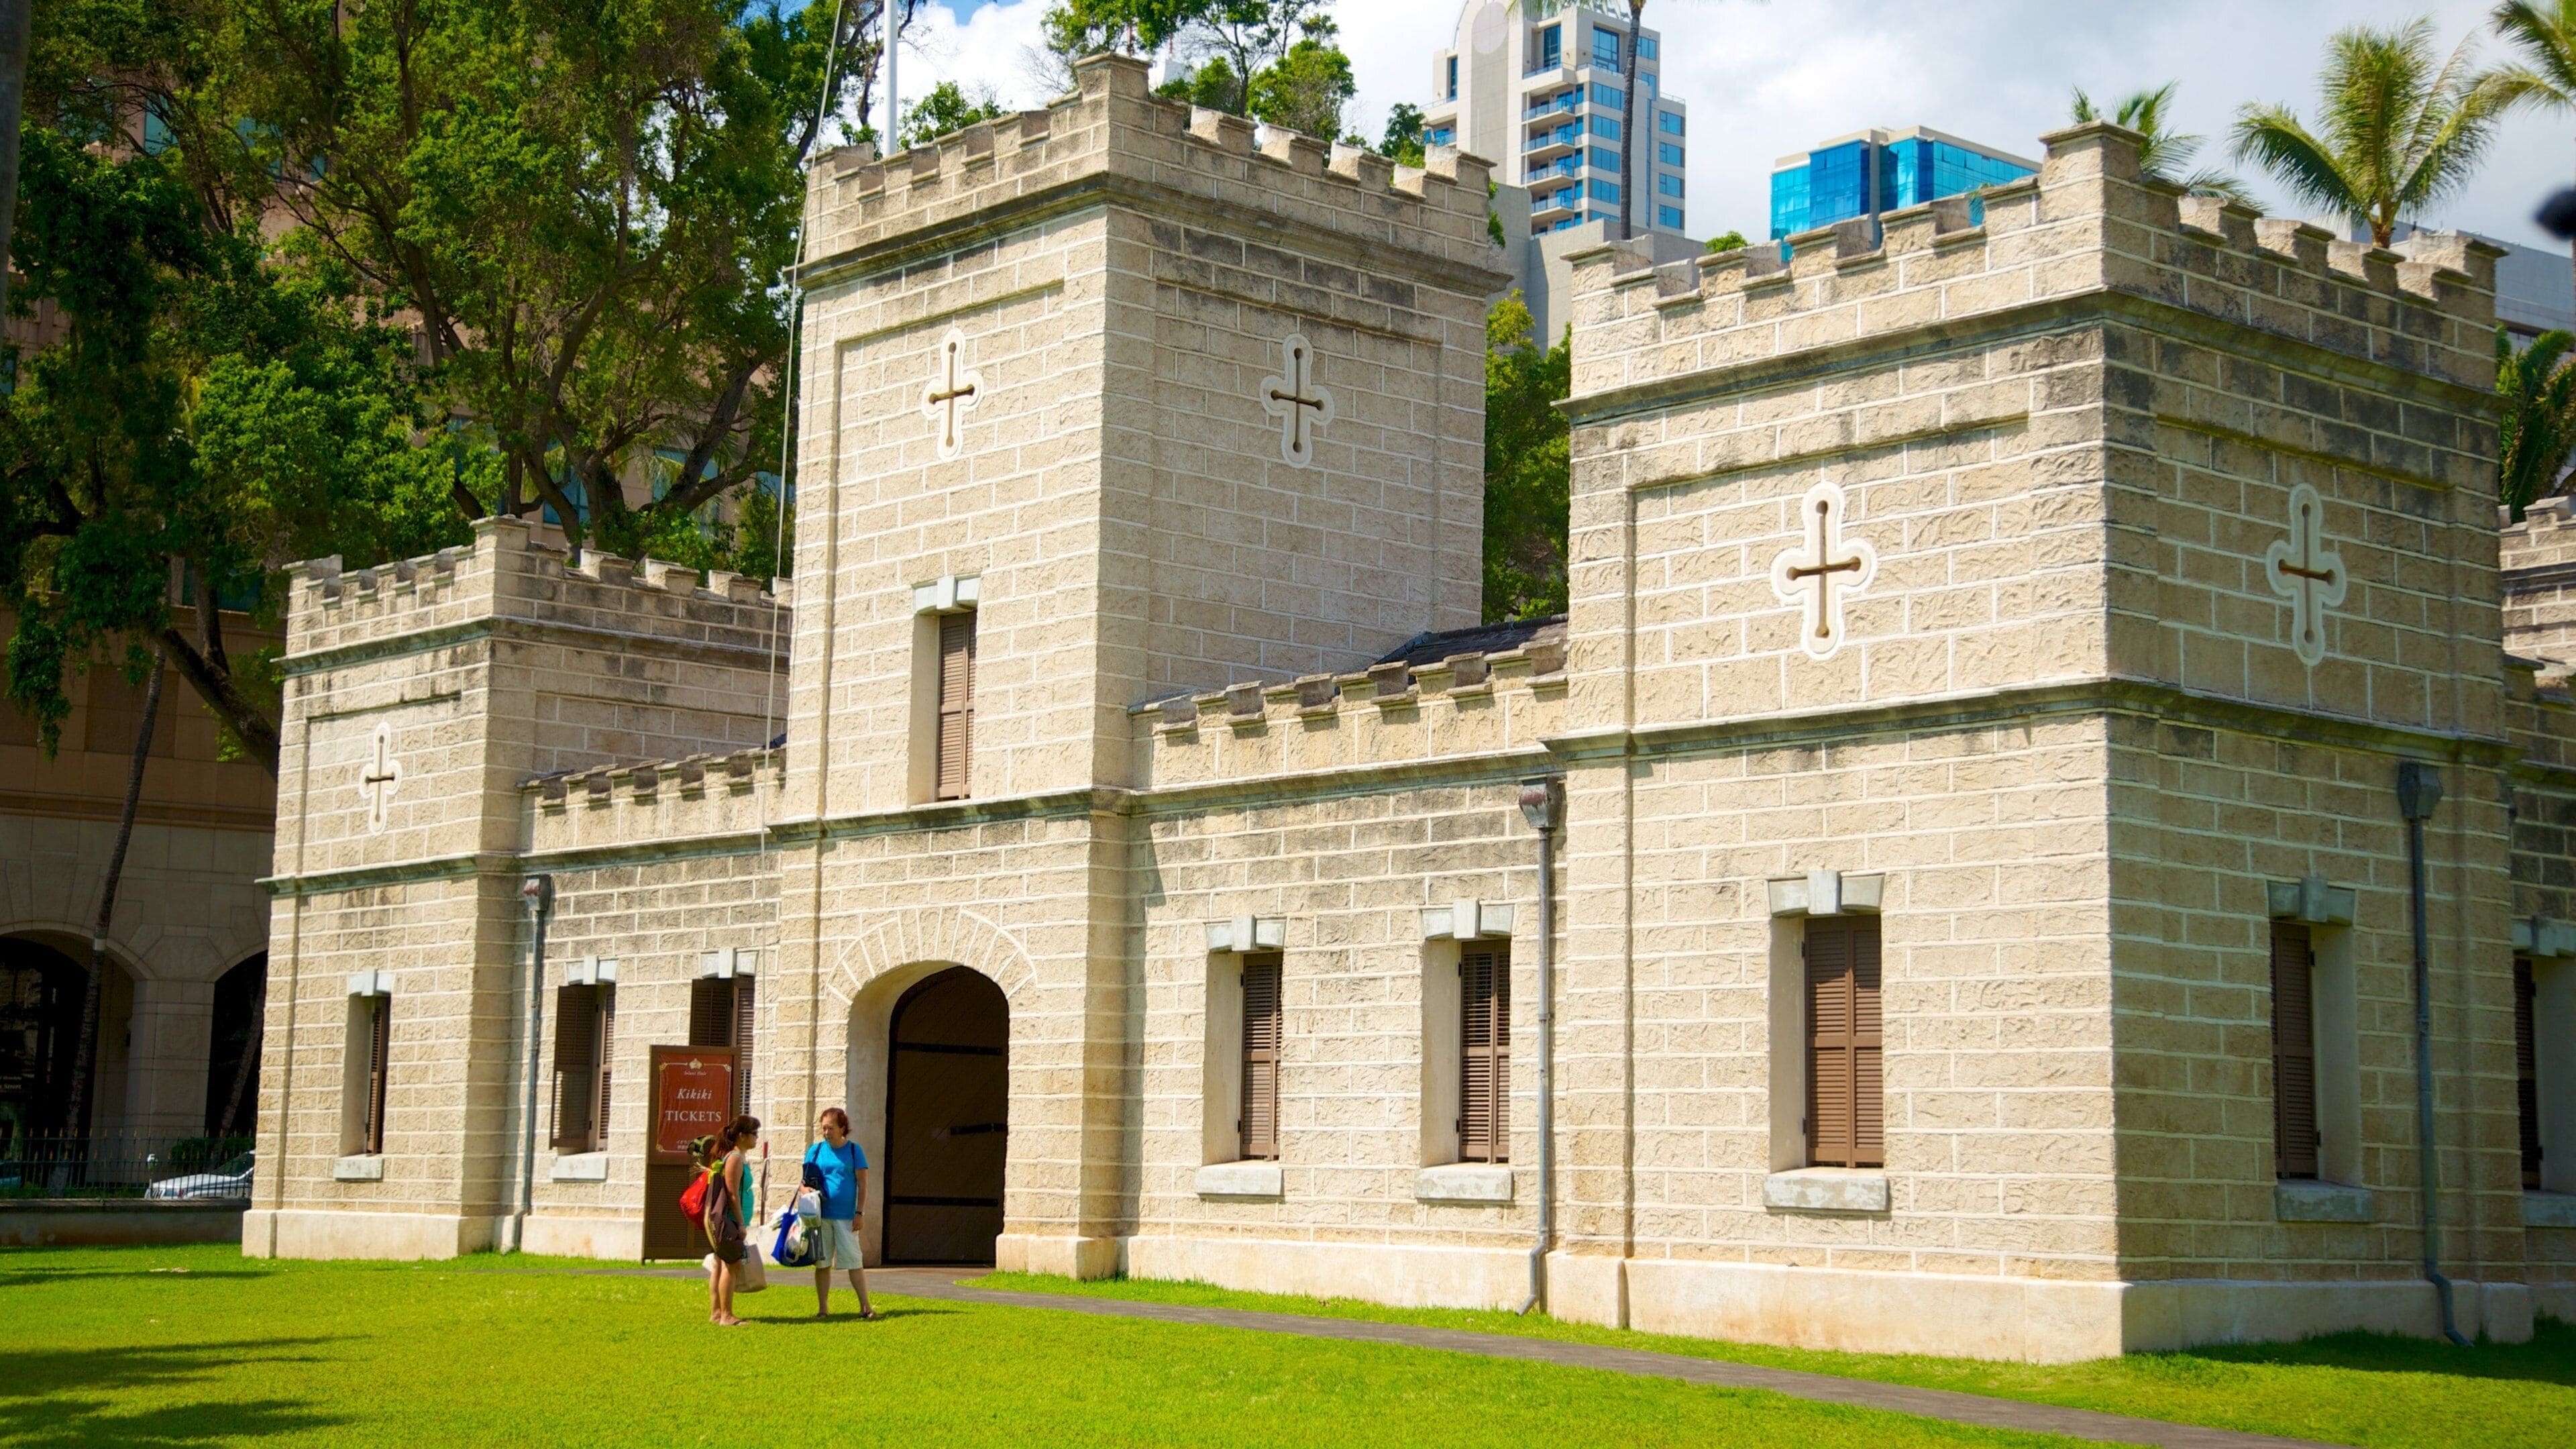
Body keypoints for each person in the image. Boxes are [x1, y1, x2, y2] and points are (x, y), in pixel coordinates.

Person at [803, 1107, 879, 1320]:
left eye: (830, 1128)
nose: (826, 1132)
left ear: (843, 1128)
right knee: (822, 1264)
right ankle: (823, 1309)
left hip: (846, 1218)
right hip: (820, 1218)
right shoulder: (815, 1151)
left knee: (854, 1262)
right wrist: (806, 1192)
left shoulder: (854, 1151)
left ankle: (866, 1308)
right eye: (823, 1128)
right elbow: (804, 1182)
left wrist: (860, 1213)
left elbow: (863, 1185)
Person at [704, 1116, 760, 1326]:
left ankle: (716, 1313)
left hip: (731, 1220)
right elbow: (732, 1193)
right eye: (754, 1134)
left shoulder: (736, 1157)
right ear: (742, 1136)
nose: (756, 1138)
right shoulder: (735, 1158)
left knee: (720, 1264)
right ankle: (726, 1315)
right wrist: (741, 1223)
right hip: (730, 1220)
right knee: (732, 1265)